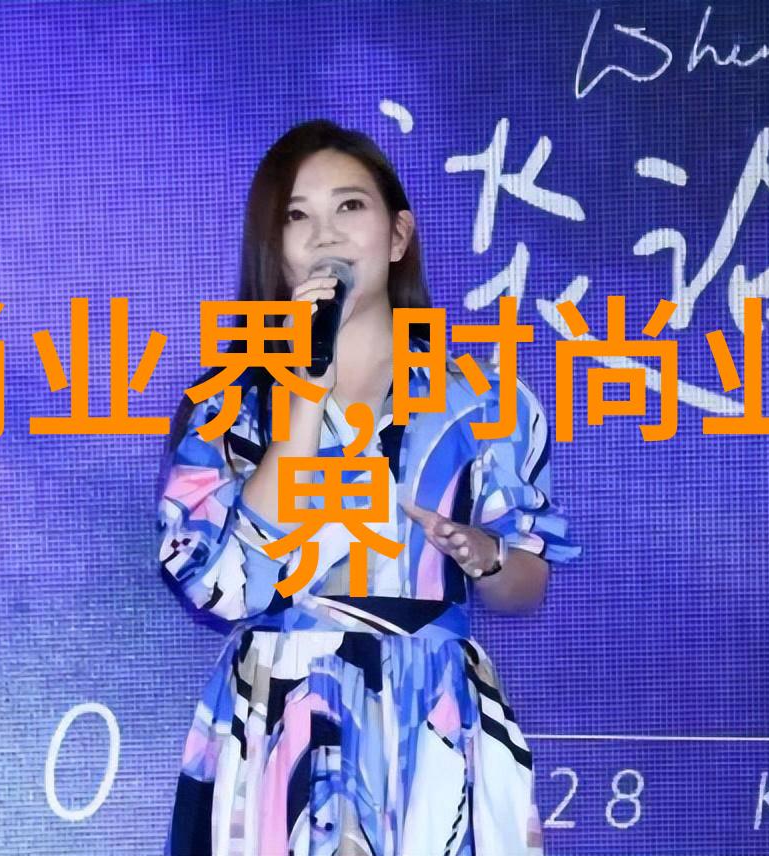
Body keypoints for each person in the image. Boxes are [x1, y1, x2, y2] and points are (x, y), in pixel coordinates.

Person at [154, 119, 581, 856]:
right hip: (280, 717)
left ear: (398, 234)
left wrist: (484, 555)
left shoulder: (485, 400)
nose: (325, 234)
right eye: (297, 216)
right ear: (276, 248)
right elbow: (216, 587)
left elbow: (527, 583)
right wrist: (302, 394)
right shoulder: (228, 405)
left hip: (433, 717)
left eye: (349, 206)